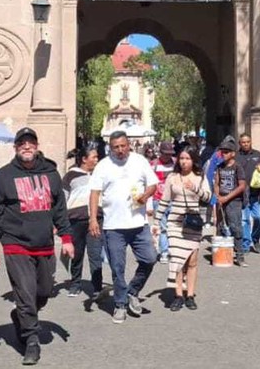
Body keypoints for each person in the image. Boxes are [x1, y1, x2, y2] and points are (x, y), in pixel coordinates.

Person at [0, 128, 75, 366]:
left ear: (36, 145)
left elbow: (60, 210)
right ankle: (31, 341)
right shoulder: (3, 176)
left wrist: (66, 238)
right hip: (16, 244)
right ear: (15, 147)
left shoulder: (51, 173)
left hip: (44, 244)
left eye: (30, 142)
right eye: (21, 143)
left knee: (43, 293)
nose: (26, 146)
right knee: (25, 293)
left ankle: (20, 316)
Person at [89, 130, 159, 324]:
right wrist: (93, 219)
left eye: (123, 146)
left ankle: (132, 291)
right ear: (110, 148)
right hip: (113, 226)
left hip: (138, 224)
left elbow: (153, 184)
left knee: (150, 259)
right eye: (115, 147)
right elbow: (94, 193)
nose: (120, 150)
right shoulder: (103, 166)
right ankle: (120, 305)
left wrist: (146, 195)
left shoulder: (140, 161)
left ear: (129, 145)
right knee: (117, 268)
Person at [160, 146, 211, 311]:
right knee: (176, 260)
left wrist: (194, 188)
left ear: (194, 160)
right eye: (181, 158)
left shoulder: (200, 177)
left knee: (192, 260)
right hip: (175, 223)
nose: (184, 162)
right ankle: (178, 295)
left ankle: (190, 295)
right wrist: (155, 222)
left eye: (187, 158)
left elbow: (208, 197)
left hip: (193, 223)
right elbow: (164, 201)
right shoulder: (172, 177)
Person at [62, 145, 103, 298]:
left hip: (96, 220)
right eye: (94, 157)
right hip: (75, 220)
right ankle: (75, 284)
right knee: (77, 253)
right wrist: (59, 221)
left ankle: (97, 287)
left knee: (95, 254)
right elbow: (63, 197)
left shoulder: (100, 175)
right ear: (84, 159)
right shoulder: (70, 175)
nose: (97, 160)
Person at [235, 134, 260, 254]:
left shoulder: (258, 155)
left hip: (256, 194)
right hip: (243, 194)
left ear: (251, 142)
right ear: (239, 143)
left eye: (248, 142)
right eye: (243, 142)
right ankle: (246, 244)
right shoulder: (236, 156)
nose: (246, 144)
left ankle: (255, 239)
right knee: (245, 220)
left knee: (259, 218)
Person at [214, 136, 248, 267]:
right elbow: (217, 183)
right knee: (221, 226)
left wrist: (227, 198)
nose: (223, 154)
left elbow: (242, 186)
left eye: (226, 152)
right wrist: (217, 196)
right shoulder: (220, 166)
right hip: (221, 200)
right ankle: (223, 253)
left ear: (233, 153)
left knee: (236, 227)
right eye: (222, 152)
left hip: (234, 201)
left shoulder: (237, 167)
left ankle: (240, 256)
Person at [151, 143, 176, 259]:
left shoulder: (175, 163)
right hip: (159, 199)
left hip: (174, 199)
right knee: (162, 226)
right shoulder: (154, 164)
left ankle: (173, 250)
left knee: (174, 226)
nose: (168, 156)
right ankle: (164, 252)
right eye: (166, 154)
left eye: (170, 154)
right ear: (160, 153)